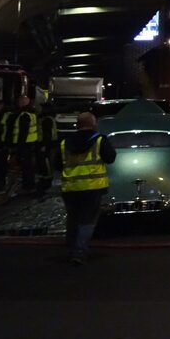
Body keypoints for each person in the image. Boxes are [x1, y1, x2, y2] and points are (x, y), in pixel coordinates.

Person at [57, 111, 117, 265]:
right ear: (93, 124)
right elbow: (110, 158)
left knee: (73, 218)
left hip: (70, 187)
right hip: (92, 187)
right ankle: (80, 251)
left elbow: (56, 164)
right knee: (87, 220)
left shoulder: (65, 142)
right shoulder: (99, 140)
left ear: (77, 125)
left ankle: (72, 249)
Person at [11, 95, 40, 192]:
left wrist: (18, 146)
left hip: (25, 145)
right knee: (28, 166)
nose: (17, 103)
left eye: (19, 102)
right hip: (31, 143)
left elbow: (23, 132)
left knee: (26, 166)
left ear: (22, 103)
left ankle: (27, 186)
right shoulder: (32, 114)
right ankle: (29, 185)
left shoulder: (24, 115)